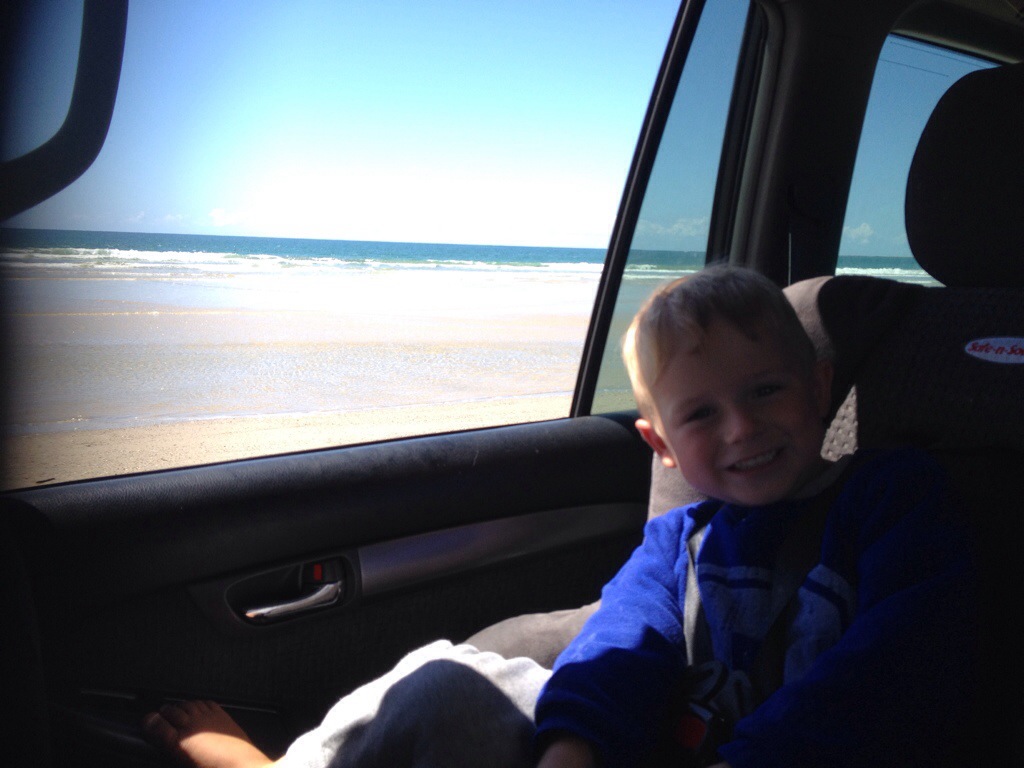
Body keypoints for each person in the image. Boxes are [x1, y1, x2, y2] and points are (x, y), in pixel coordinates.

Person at [143, 266, 974, 768]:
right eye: (701, 414)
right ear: (660, 445)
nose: (742, 428)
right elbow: (622, 640)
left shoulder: (891, 496)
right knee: (448, 677)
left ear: (820, 389)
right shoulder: (679, 539)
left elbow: (900, 659)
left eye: (766, 391)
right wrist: (573, 747)